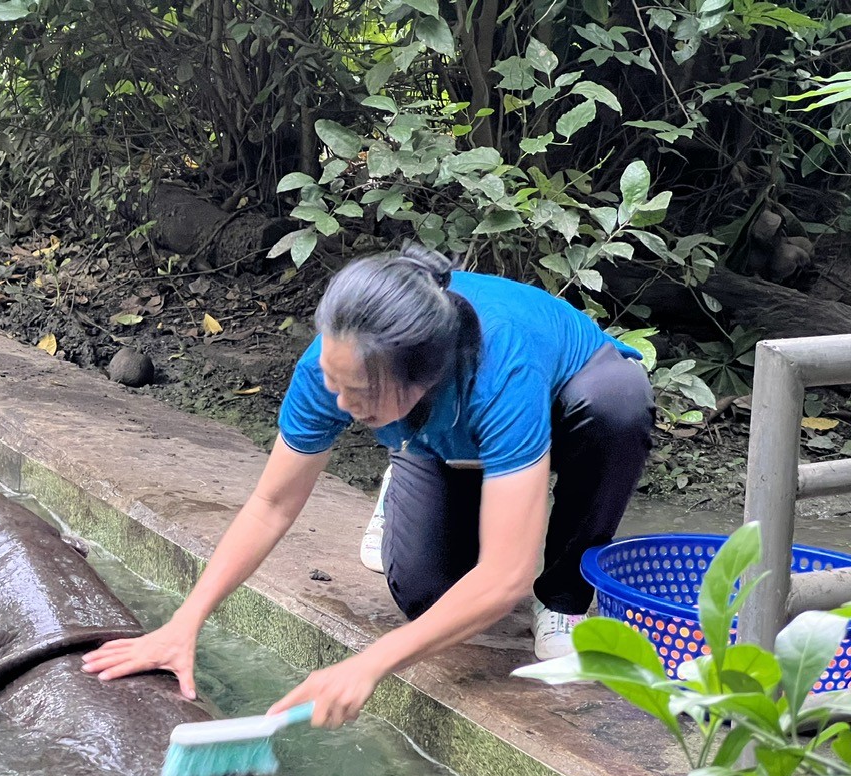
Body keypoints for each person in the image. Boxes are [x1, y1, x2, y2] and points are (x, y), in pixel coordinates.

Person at [82, 245, 655, 729]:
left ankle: (565, 597)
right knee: (429, 598)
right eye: (334, 382)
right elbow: (271, 503)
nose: (338, 403)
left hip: (566, 401)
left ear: (422, 379)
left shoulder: (501, 369)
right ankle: (415, 467)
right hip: (435, 432)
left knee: (617, 405)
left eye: (356, 392)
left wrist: (368, 664)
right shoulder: (333, 364)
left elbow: (505, 577)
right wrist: (183, 624)